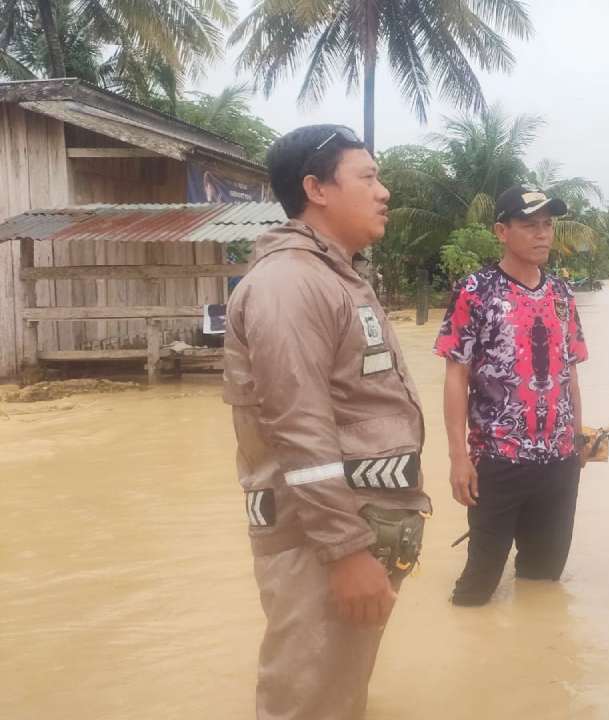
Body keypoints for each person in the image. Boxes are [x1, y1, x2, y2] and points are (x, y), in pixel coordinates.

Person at [223, 124, 431, 720]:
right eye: (367, 177)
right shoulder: (291, 283)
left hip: (356, 530)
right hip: (323, 543)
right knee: (309, 702)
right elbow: (299, 430)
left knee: (336, 694)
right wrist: (344, 553)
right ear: (316, 188)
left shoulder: (333, 274)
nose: (383, 191)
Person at [435, 185, 589, 607]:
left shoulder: (562, 293)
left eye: (547, 225)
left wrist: (578, 438)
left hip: (559, 463)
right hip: (498, 461)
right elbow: (455, 376)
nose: (541, 234)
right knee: (477, 587)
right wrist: (457, 458)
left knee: (543, 582)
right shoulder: (475, 290)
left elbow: (569, 371)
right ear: (501, 231)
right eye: (529, 225)